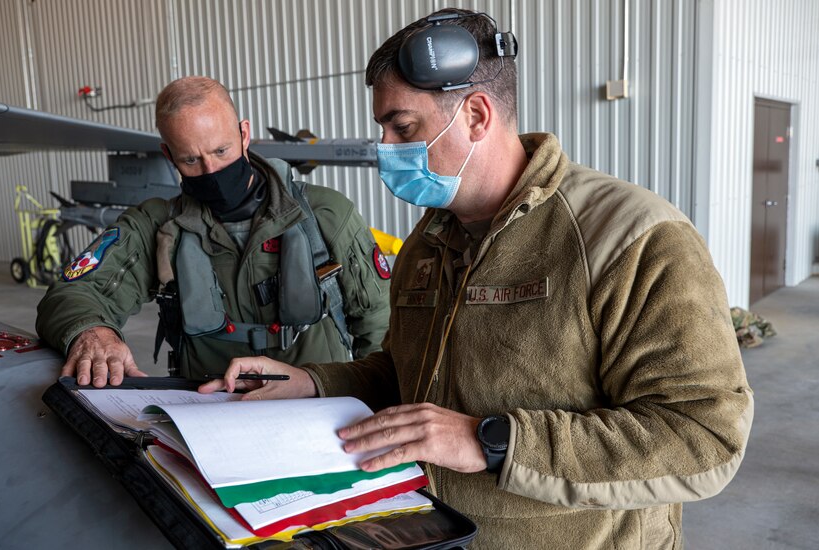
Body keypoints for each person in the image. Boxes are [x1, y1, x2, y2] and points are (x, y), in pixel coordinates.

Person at [200, 9, 753, 549]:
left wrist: (490, 441)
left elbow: (703, 437)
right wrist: (311, 383)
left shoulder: (629, 236)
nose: (385, 149)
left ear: (476, 116)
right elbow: (408, 377)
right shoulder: (427, 242)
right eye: (384, 129)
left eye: (403, 127)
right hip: (431, 530)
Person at [36, 76, 391, 386]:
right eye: (191, 160)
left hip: (320, 407)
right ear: (168, 155)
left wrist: (369, 399)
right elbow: (73, 293)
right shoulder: (158, 227)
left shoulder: (324, 214)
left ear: (244, 134)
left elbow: (382, 324)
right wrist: (93, 333)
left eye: (221, 150)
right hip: (209, 411)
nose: (211, 169)